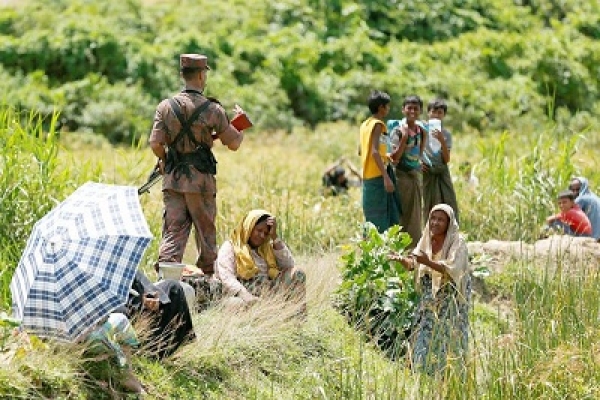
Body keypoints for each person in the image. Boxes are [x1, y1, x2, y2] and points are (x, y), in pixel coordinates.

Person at [149, 53, 245, 276]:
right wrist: (240, 124)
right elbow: (234, 144)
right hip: (201, 183)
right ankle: (207, 288)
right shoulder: (213, 110)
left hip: (172, 180)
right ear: (202, 75)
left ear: (183, 75)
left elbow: (155, 143)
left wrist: (164, 160)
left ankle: (167, 285)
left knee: (172, 235)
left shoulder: (165, 107)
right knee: (206, 236)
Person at [388, 204, 470, 376]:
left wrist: (428, 263)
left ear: (449, 223)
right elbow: (415, 263)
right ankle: (421, 372)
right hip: (429, 298)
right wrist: (403, 260)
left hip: (450, 298)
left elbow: (453, 269)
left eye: (441, 220)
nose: (435, 223)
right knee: (424, 331)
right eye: (433, 218)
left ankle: (448, 374)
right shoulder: (426, 239)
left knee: (448, 333)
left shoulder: (457, 242)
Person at [215, 210, 306, 309]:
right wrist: (247, 296)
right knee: (237, 305)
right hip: (240, 294)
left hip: (267, 292)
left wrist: (274, 237)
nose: (262, 236)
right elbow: (227, 277)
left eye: (266, 233)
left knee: (298, 273)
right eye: (259, 230)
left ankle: (297, 320)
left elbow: (289, 266)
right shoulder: (231, 247)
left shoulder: (267, 248)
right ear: (249, 228)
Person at [117, 270, 196, 360]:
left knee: (173, 287)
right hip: (121, 306)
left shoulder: (118, 265)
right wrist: (139, 302)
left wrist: (152, 296)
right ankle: (149, 352)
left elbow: (137, 277)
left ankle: (169, 347)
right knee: (121, 315)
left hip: (139, 296)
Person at [388, 95, 427, 247]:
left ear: (420, 111)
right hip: (400, 177)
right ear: (403, 110)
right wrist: (404, 138)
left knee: (415, 215)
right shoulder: (398, 131)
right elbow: (394, 158)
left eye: (415, 108)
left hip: (414, 177)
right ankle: (400, 250)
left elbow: (420, 154)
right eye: (409, 108)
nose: (412, 111)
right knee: (401, 214)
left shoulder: (421, 131)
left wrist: (419, 166)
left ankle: (414, 249)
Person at [359, 90, 400, 233]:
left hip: (367, 176)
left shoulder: (365, 125)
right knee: (381, 217)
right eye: (387, 106)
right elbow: (374, 152)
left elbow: (362, 150)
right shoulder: (378, 125)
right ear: (381, 107)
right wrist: (386, 177)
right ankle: (381, 251)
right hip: (377, 176)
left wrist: (387, 156)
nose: (388, 109)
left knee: (371, 216)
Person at [421, 99, 460, 223]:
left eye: (440, 113)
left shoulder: (446, 134)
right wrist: (418, 164)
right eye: (434, 112)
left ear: (444, 115)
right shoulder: (421, 129)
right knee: (427, 204)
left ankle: (449, 235)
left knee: (448, 203)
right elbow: (414, 150)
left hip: (442, 172)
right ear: (428, 113)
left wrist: (442, 140)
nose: (436, 115)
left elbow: (446, 159)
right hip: (426, 172)